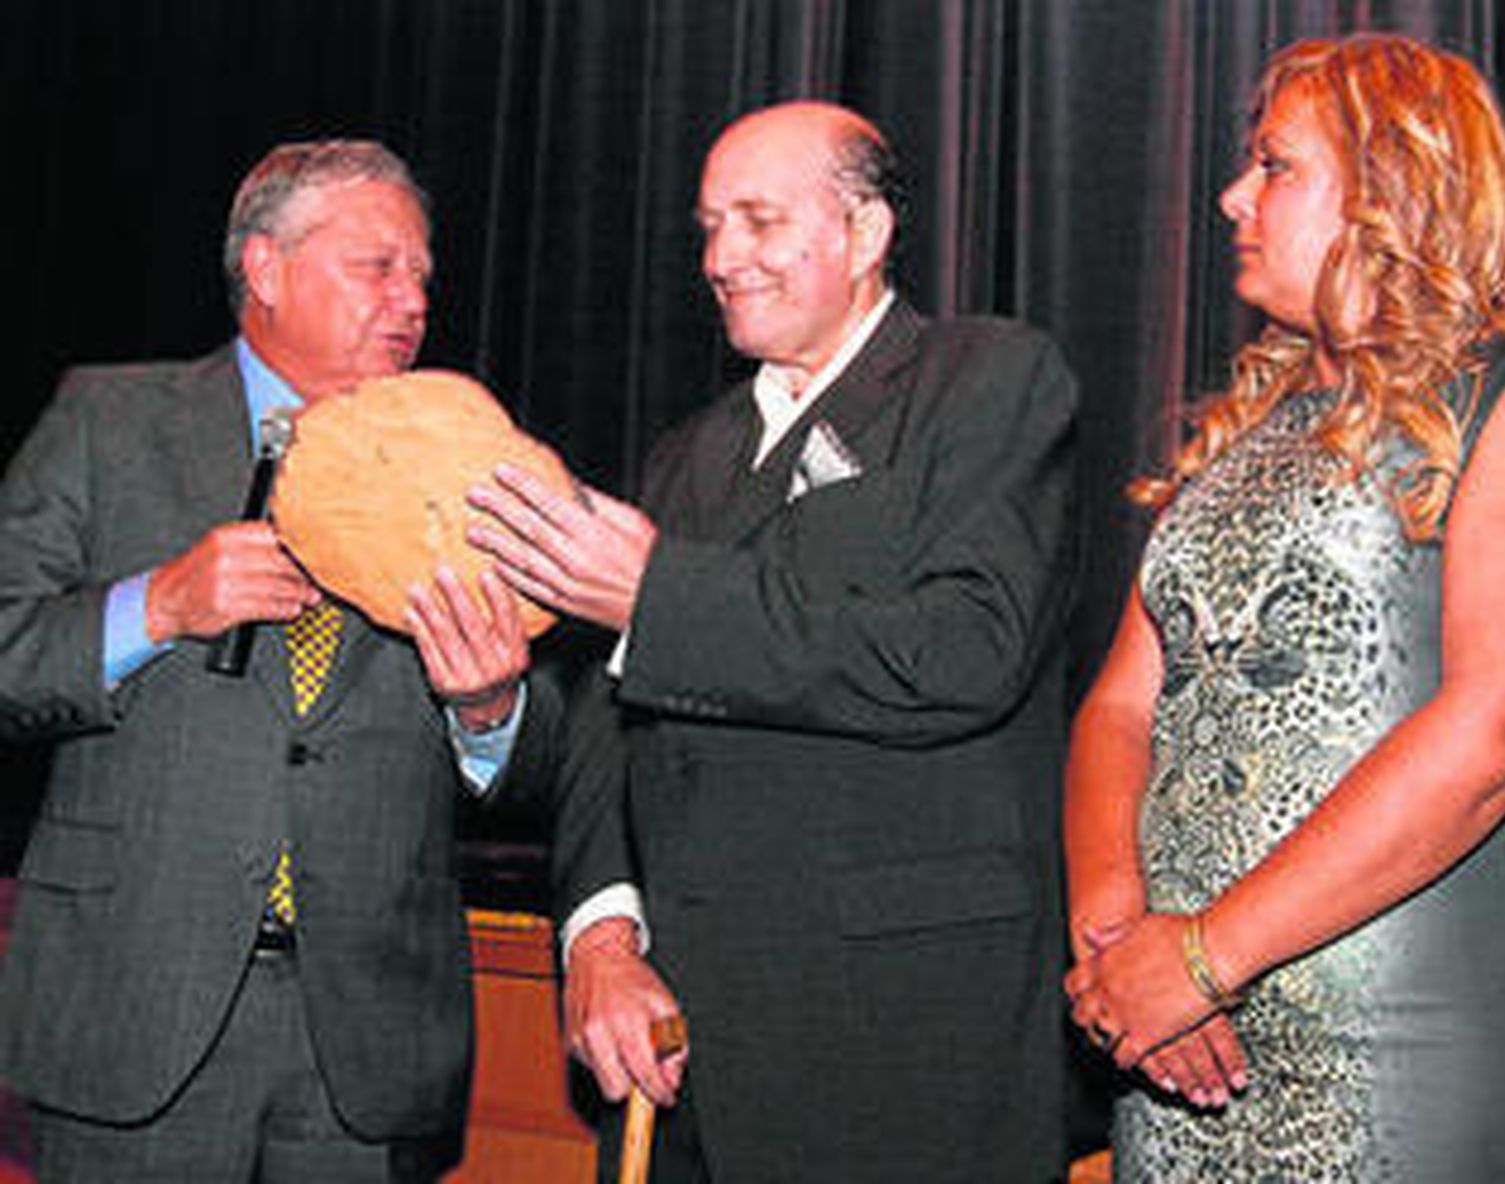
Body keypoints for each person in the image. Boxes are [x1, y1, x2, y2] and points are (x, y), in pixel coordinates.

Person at [467, 100, 1079, 1182]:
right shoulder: (684, 455)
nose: (720, 257)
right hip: (690, 1053)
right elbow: (613, 736)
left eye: (757, 221)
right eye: (708, 227)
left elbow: (964, 648)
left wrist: (659, 597)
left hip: (899, 1046)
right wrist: (602, 935)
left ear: (867, 232)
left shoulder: (985, 380)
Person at [1062, 34, 1505, 1182]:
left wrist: (1208, 952)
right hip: (1185, 1051)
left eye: (1273, 166)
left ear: (1394, 181)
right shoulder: (1244, 435)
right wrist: (1122, 944)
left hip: (1411, 1056)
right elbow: (1120, 702)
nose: (1230, 197)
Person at [0, 140, 558, 1181]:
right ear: (264, 268)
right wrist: (156, 605)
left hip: (362, 1039)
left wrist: (490, 707)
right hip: (137, 1013)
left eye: (424, 275)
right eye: (378, 266)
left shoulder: (470, 463)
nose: (413, 299)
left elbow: (558, 760)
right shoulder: (109, 420)